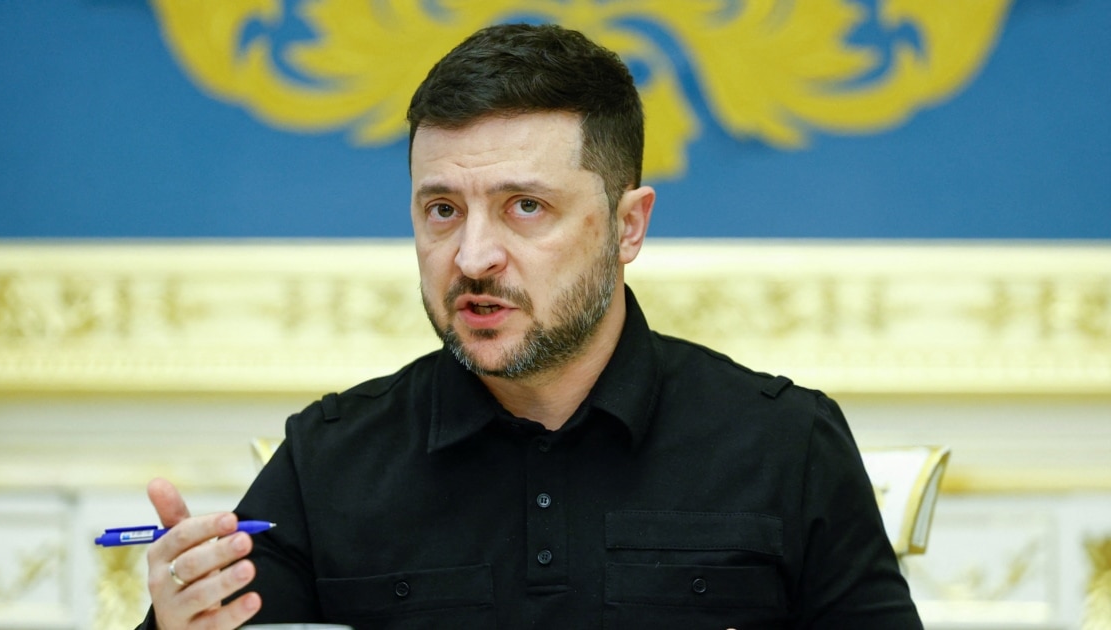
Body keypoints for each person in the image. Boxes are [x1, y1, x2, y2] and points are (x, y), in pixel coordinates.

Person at [137, 23, 922, 630]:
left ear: (628, 226)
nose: (472, 256)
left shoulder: (784, 443)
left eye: (525, 207)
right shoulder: (330, 458)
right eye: (442, 210)